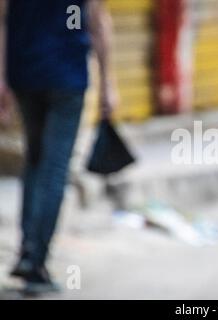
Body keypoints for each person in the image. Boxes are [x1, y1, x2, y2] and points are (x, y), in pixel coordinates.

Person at [0, 0, 117, 294]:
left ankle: (28, 252)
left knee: (35, 161)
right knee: (54, 169)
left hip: (25, 71)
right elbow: (97, 20)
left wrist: (2, 78)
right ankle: (35, 261)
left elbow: (2, 18)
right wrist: (108, 84)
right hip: (67, 76)